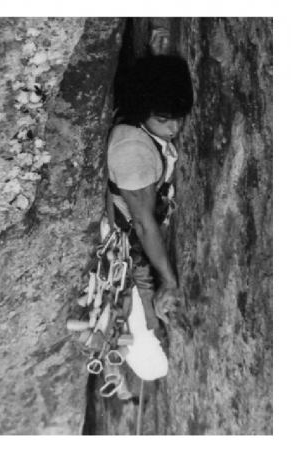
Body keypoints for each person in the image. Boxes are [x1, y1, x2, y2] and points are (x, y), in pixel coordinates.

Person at [105, 54, 193, 379]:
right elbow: (142, 222)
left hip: (137, 245)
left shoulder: (148, 132)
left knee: (148, 337)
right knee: (151, 363)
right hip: (127, 253)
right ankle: (131, 348)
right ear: (144, 112)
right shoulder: (133, 150)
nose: (175, 128)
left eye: (178, 118)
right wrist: (168, 280)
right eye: (164, 119)